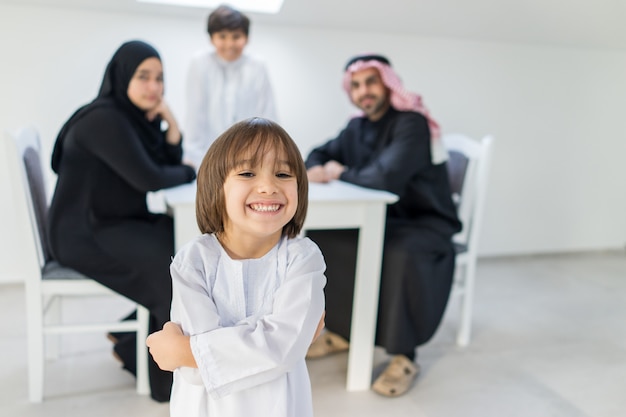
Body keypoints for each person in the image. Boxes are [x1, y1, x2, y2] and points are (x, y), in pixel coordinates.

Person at [46, 40, 197, 402]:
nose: (154, 87)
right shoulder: (104, 120)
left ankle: (129, 338)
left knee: (188, 248)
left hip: (113, 222)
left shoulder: (128, 119)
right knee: (173, 269)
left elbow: (160, 162)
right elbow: (151, 177)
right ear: (121, 76)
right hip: (84, 233)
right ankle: (154, 371)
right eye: (143, 76)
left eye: (159, 78)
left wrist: (171, 125)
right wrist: (190, 170)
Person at [146, 117, 326, 417]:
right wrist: (275, 336)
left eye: (283, 173)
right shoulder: (193, 260)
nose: (268, 186)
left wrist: (187, 350)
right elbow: (195, 373)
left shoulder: (304, 259)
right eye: (247, 172)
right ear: (217, 187)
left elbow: (282, 350)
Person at [304, 54, 462, 397]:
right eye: (356, 85)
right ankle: (347, 332)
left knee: (398, 253)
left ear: (388, 83)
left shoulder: (411, 123)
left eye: (371, 82)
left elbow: (386, 177)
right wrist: (320, 167)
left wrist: (339, 172)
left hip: (423, 223)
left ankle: (404, 354)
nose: (364, 92)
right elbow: (316, 154)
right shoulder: (356, 126)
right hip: (384, 220)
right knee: (327, 239)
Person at [183, 4, 277, 168]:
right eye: (222, 36)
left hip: (251, 157)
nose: (229, 44)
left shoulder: (257, 66)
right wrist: (197, 162)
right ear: (212, 38)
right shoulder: (199, 63)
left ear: (247, 38)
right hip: (206, 156)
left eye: (236, 36)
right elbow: (195, 115)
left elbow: (268, 114)